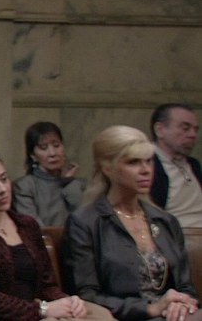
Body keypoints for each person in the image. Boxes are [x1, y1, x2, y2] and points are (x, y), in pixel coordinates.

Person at [0, 147, 112, 321]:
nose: (2, 189)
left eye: (4, 179)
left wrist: (68, 302)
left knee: (99, 314)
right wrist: (41, 310)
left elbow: (47, 286)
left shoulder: (27, 225)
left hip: (36, 307)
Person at [64, 125, 201, 321]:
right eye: (134, 162)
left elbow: (185, 286)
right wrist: (150, 309)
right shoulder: (85, 222)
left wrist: (182, 302)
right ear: (107, 168)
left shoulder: (166, 221)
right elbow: (87, 296)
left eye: (149, 161)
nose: (146, 170)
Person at [13, 121, 86, 227]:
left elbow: (85, 219)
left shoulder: (79, 184)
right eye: (44, 147)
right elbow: (33, 227)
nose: (52, 153)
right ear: (33, 156)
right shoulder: (24, 186)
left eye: (56, 145)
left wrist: (68, 182)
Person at [149, 103, 202, 228]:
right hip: (173, 234)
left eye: (196, 129)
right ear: (159, 130)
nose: (193, 135)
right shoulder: (146, 165)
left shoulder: (193, 164)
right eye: (185, 128)